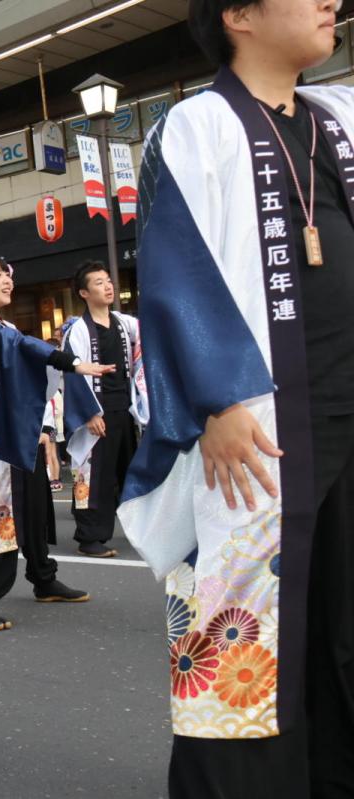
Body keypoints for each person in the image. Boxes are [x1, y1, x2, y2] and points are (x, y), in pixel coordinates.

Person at [119, 2, 354, 794]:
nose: (331, 1)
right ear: (240, 14)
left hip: (349, 415)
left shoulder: (339, 119)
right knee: (245, 646)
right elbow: (173, 268)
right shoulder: (195, 126)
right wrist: (215, 401)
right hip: (256, 432)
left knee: (341, 637)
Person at [0, 254, 110, 631]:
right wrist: (69, 361)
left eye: (8, 274)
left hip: (19, 431)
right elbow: (18, 349)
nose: (7, 281)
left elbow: (21, 356)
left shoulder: (1, 324)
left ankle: (43, 577)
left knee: (35, 508)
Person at [61, 261, 148, 558]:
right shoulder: (79, 331)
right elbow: (73, 373)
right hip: (97, 412)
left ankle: (137, 531)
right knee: (94, 475)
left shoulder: (124, 323)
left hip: (124, 408)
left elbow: (151, 331)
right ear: (84, 293)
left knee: (125, 473)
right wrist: (89, 414)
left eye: (108, 280)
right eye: (99, 282)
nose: (108, 286)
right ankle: (89, 537)